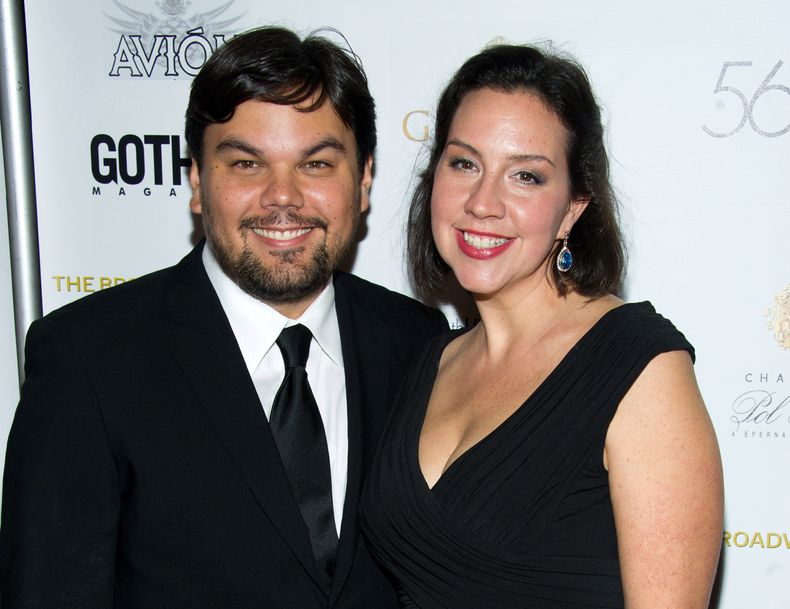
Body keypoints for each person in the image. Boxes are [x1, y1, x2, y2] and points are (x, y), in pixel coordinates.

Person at [0, 26, 446, 608]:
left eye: (315, 164)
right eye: (245, 164)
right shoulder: (88, 358)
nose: (282, 197)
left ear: (362, 181)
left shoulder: (419, 344)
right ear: (195, 179)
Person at [360, 44, 723, 609]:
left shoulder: (639, 371)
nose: (483, 203)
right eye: (464, 163)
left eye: (525, 176)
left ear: (574, 208)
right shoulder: (429, 359)